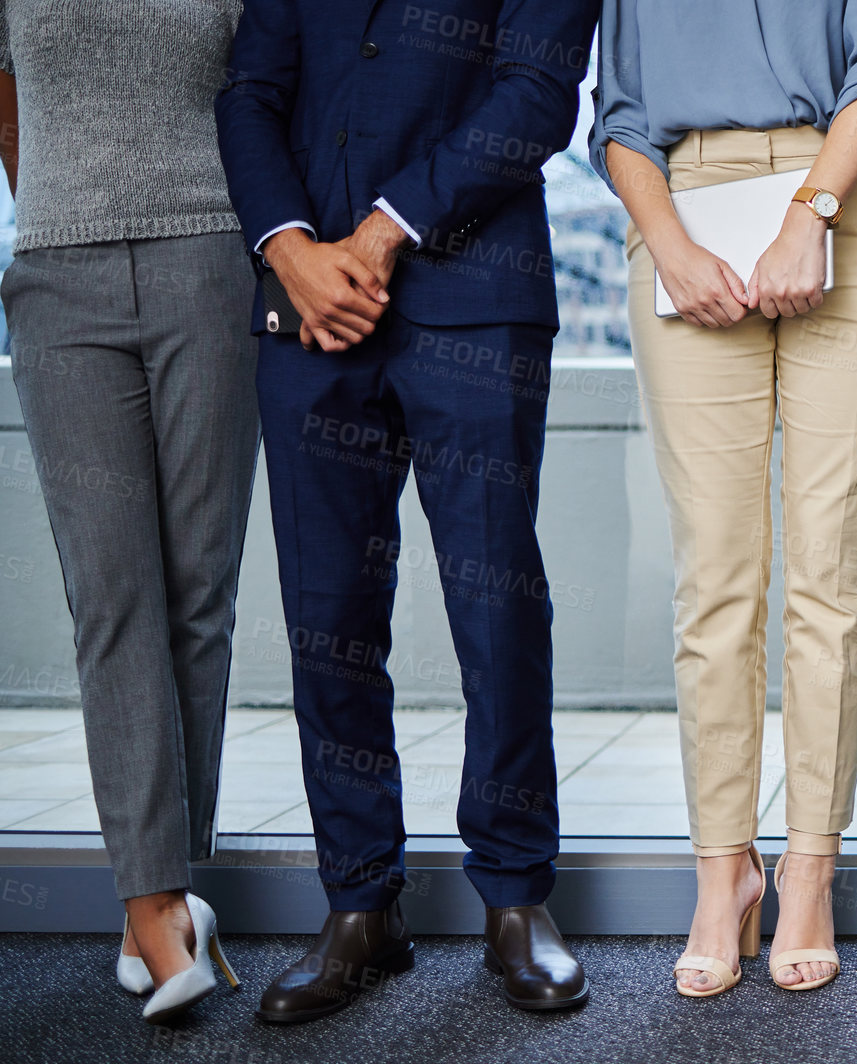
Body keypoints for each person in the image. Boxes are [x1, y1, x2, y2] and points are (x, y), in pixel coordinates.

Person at [216, 0, 601, 1020]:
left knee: (495, 605)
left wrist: (384, 230)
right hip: (303, 310)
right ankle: (359, 904)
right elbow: (249, 93)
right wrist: (291, 246)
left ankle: (517, 895)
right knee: (327, 612)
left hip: (473, 294)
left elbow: (536, 93)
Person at [591, 0, 857, 997]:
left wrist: (808, 213)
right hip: (683, 208)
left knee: (833, 577)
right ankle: (721, 871)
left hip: (848, 201)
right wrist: (672, 248)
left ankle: (809, 868)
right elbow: (619, 117)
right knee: (716, 582)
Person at [0, 0, 256, 1025]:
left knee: (200, 591)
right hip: (60, 279)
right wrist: (56, 212)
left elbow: (266, 91)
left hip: (211, 260)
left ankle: (159, 902)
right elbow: (7, 106)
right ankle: (155, 904)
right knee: (111, 595)